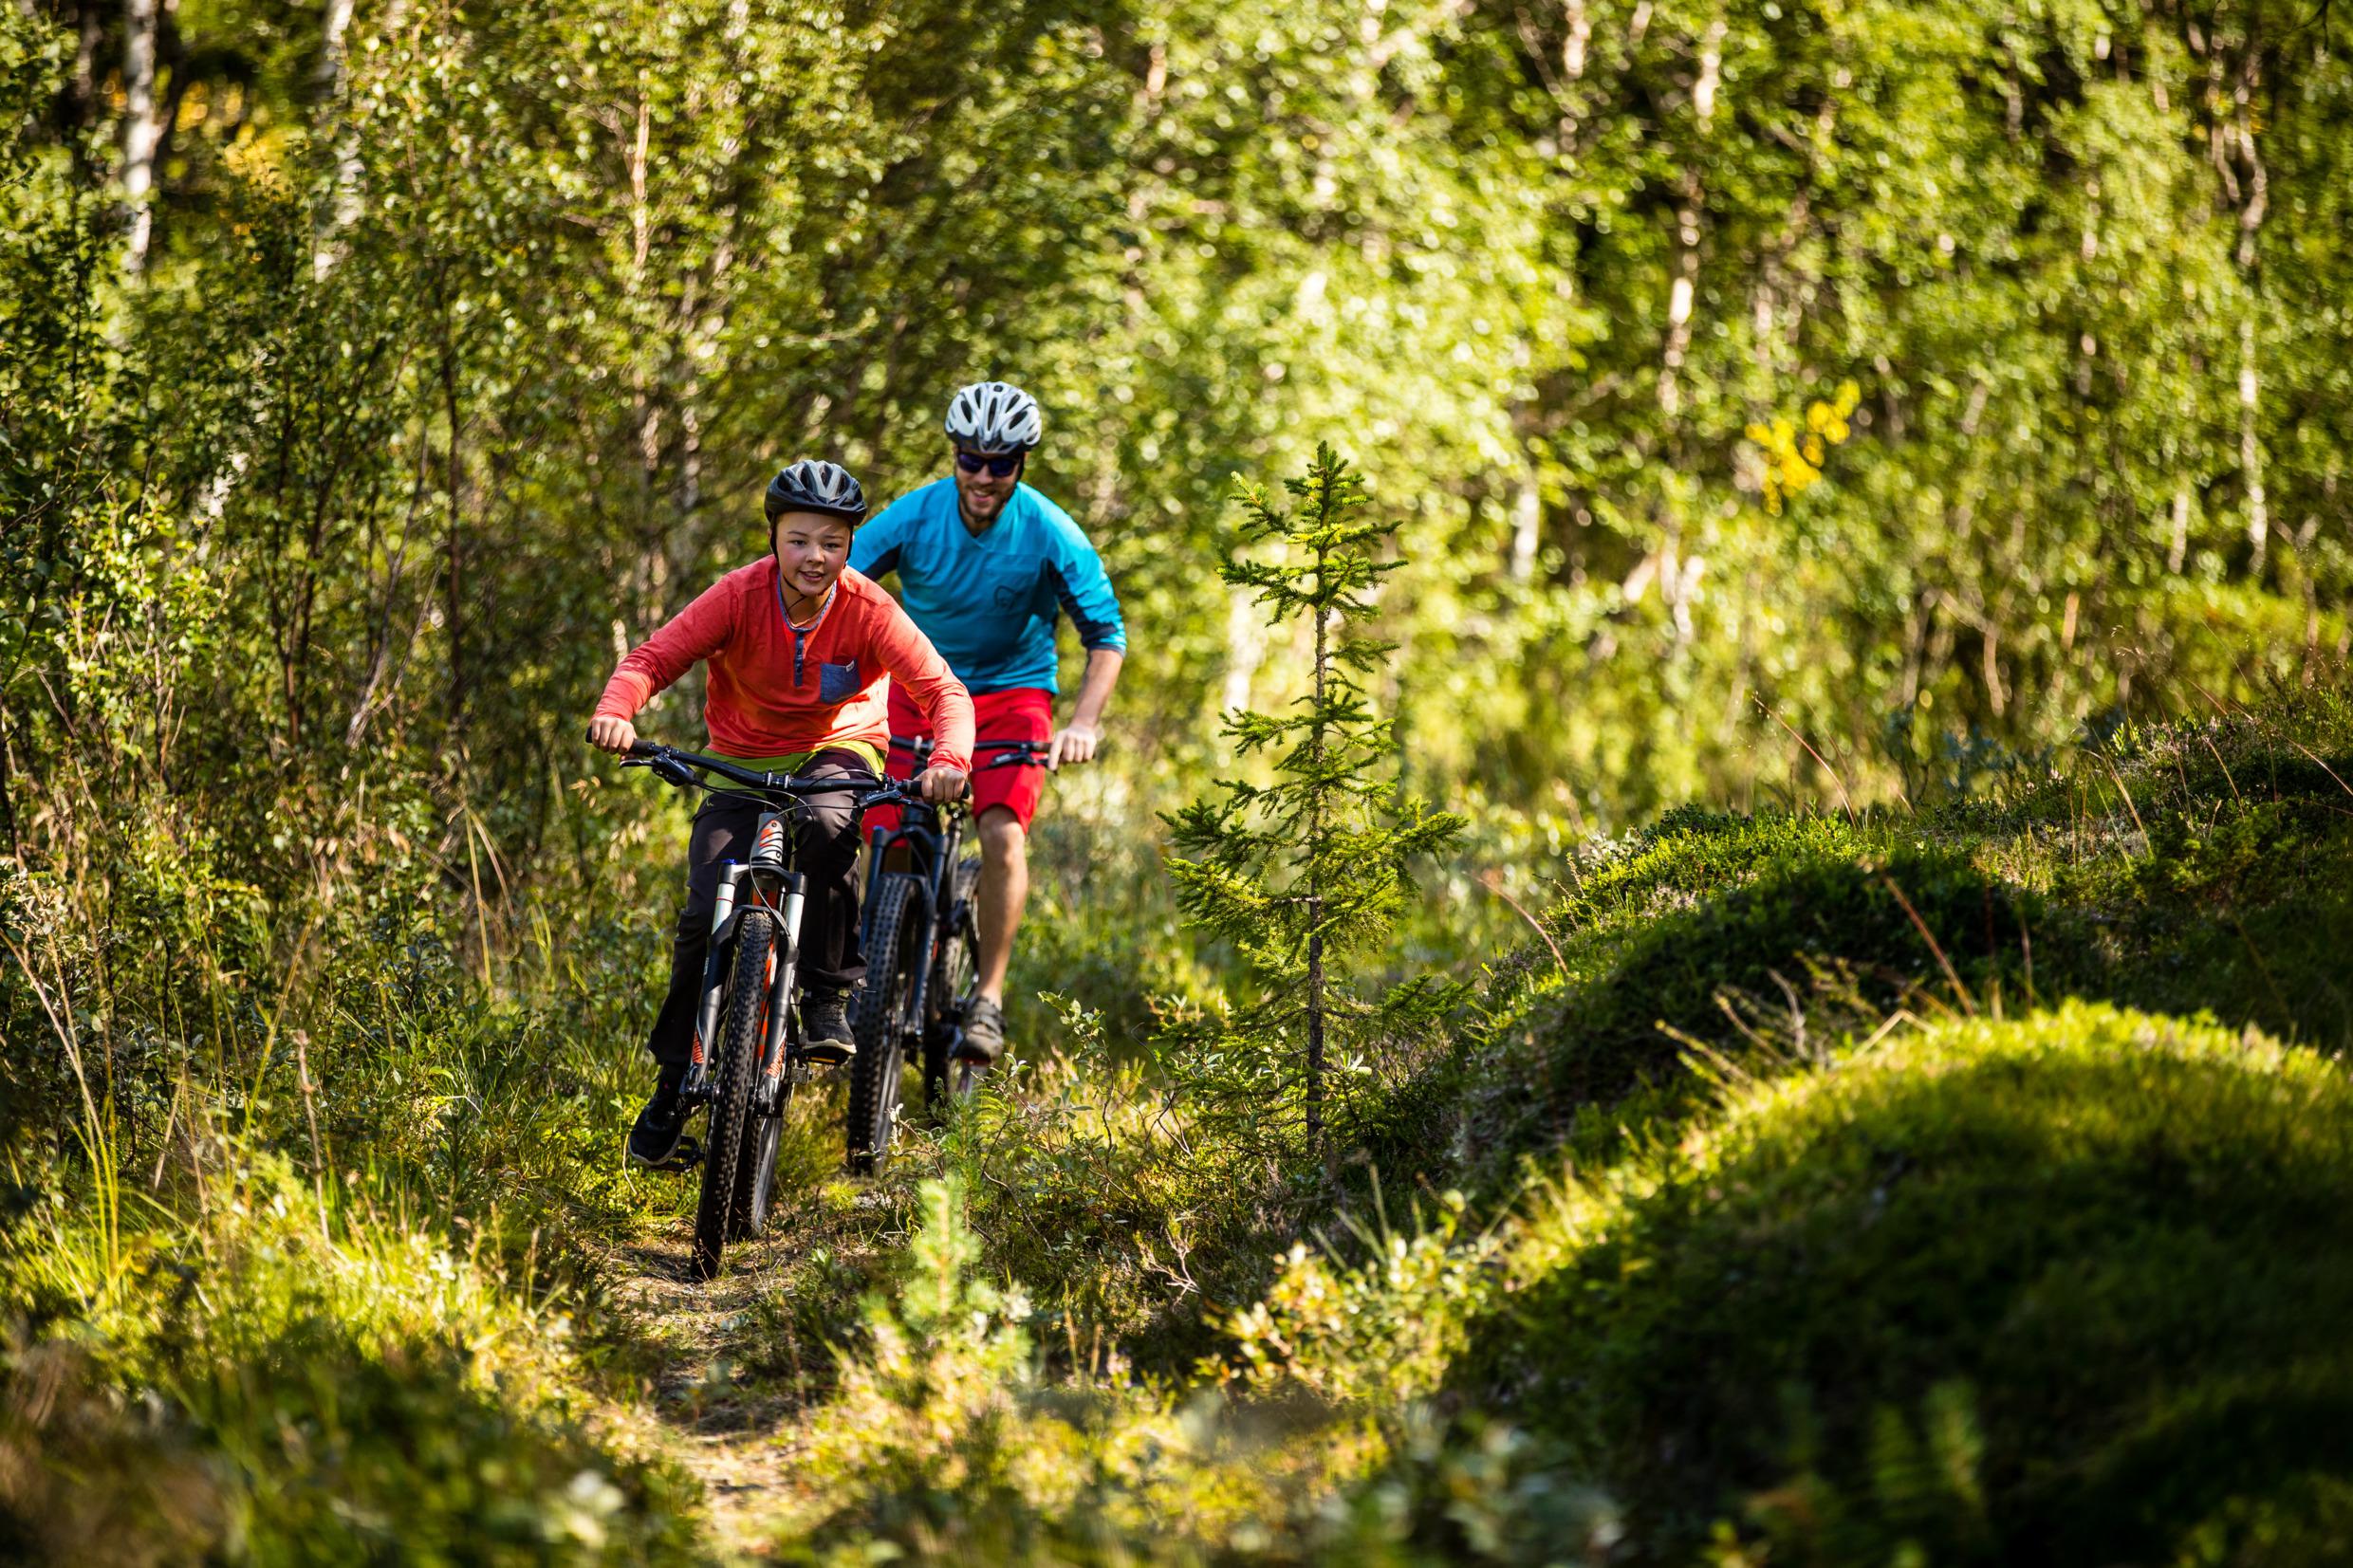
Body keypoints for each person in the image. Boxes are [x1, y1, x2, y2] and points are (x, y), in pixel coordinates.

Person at [590, 459, 973, 1167]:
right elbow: (650, 659)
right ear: (774, 537)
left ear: (850, 545)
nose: (814, 557)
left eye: (831, 542)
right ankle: (675, 1079)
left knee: (830, 826)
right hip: (742, 757)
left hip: (838, 746)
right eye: (800, 540)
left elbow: (946, 693)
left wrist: (949, 760)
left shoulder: (870, 609)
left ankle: (827, 995)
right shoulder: (736, 596)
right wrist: (618, 710)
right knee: (705, 909)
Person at [851, 381, 1124, 1065]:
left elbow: (1106, 636)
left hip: (1012, 692)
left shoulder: (1049, 531)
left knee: (1001, 833)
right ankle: (882, 959)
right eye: (971, 459)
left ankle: (989, 997)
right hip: (919, 686)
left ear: (1021, 464)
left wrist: (1083, 723)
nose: (983, 476)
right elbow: (839, 583)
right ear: (955, 454)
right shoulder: (913, 518)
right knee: (883, 832)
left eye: (1000, 464)